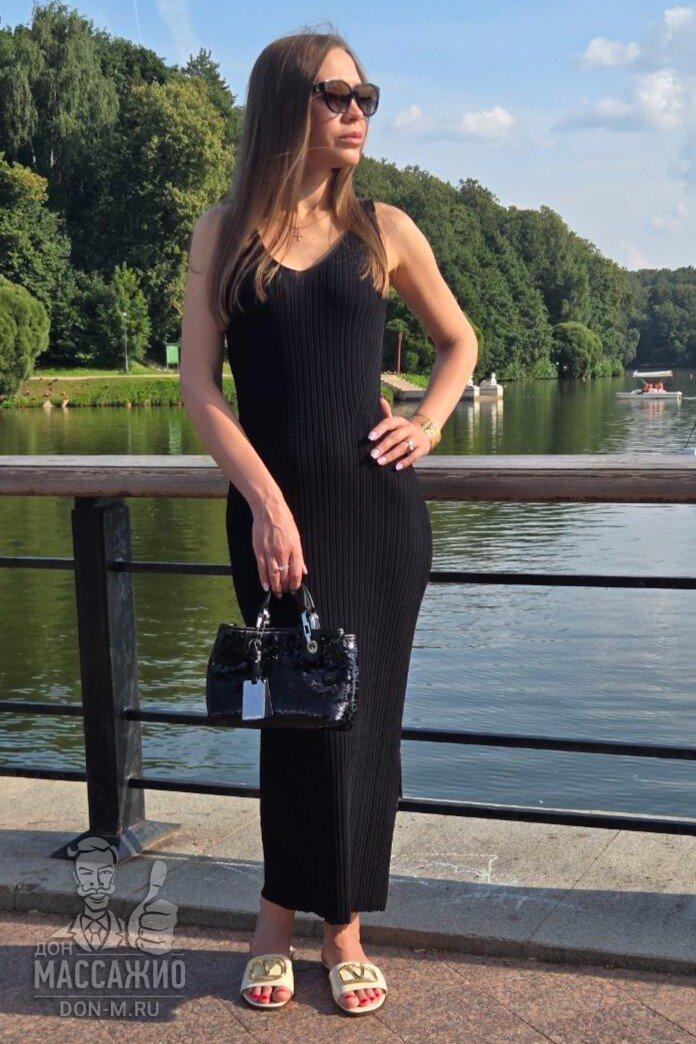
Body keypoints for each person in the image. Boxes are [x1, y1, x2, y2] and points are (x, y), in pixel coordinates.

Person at [180, 28, 477, 1015]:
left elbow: (459, 340)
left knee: (362, 727)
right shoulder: (224, 232)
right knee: (293, 722)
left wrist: (428, 422)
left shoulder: (385, 229)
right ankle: (276, 917)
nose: (357, 112)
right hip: (273, 524)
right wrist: (266, 502)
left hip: (376, 519)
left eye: (365, 96)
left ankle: (341, 925)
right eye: (336, 94)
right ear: (284, 105)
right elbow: (199, 389)